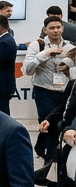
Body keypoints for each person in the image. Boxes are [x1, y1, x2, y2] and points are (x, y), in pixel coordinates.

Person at [24, 16, 74, 168]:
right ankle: (50, 163)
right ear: (45, 30)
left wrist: (68, 67)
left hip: (64, 93)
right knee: (50, 126)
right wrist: (43, 56)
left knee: (61, 125)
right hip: (44, 92)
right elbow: (27, 70)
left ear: (63, 29)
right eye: (52, 28)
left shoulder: (70, 47)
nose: (56, 30)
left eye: (58, 27)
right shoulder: (37, 45)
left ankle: (47, 152)